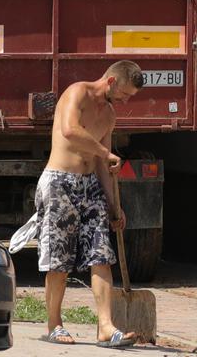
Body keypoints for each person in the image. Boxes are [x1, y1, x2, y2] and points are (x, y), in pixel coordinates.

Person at [35, 60, 143, 347]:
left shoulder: (109, 114)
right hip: (59, 182)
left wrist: (113, 206)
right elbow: (70, 130)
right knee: (59, 260)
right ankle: (54, 325)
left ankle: (106, 327)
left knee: (101, 255)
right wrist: (104, 152)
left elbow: (100, 162)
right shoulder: (77, 93)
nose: (125, 100)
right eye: (124, 93)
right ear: (111, 81)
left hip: (90, 185)